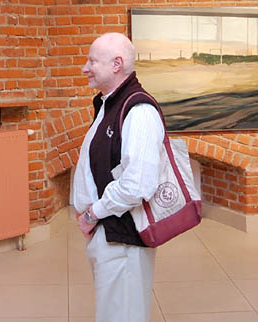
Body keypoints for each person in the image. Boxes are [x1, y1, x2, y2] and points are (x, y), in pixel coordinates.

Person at [71, 32, 165, 322]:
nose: (85, 68)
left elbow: (138, 184)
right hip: (107, 233)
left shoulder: (139, 111)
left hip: (122, 238)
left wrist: (93, 213)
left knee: (122, 315)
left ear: (117, 64)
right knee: (112, 313)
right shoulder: (109, 103)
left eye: (92, 61)